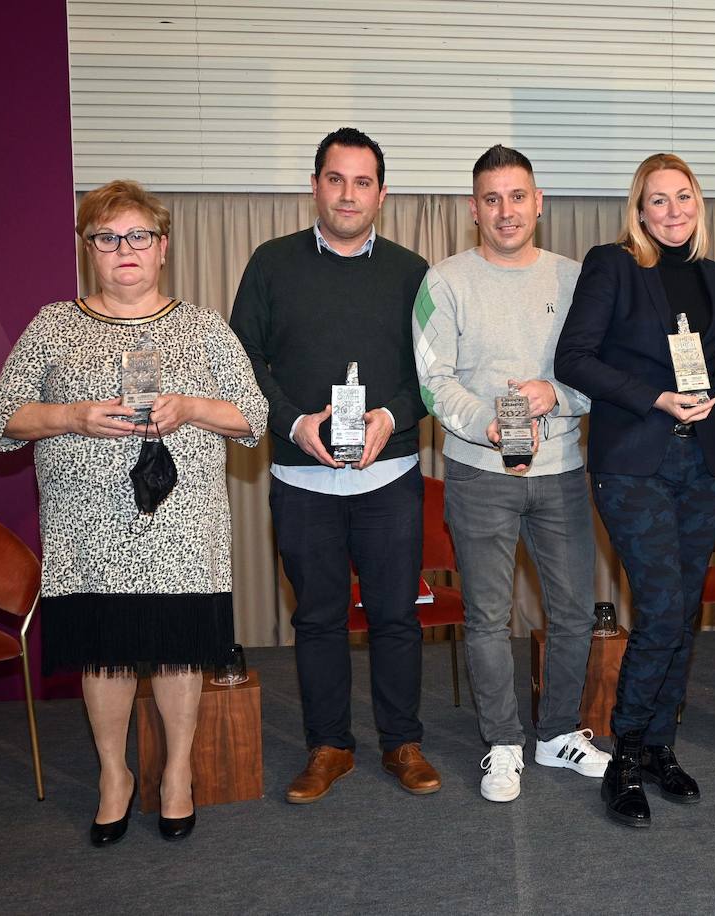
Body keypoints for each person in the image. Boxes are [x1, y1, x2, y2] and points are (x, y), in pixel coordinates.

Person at [0, 180, 268, 846]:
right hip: (89, 534)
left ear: (163, 247)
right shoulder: (52, 325)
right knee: (105, 657)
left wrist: (191, 406)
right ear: (89, 250)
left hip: (180, 532)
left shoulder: (202, 326)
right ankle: (115, 777)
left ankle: (176, 776)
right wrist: (72, 416)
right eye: (107, 239)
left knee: (176, 653)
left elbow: (253, 416)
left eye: (138, 236)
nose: (124, 250)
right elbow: (1, 414)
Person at [229, 127, 439, 803]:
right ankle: (329, 747)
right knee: (317, 618)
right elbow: (242, 363)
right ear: (315, 184)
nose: (349, 194)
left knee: (396, 617)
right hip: (300, 477)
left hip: (390, 477)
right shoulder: (270, 264)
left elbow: (432, 376)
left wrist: (390, 418)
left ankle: (402, 742)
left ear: (381, 193)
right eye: (336, 179)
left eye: (363, 181)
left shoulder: (413, 273)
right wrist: (292, 422)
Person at [412, 144, 608, 802]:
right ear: (474, 209)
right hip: (480, 473)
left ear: (539, 202)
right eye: (491, 199)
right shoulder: (444, 282)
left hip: (560, 470)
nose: (506, 211)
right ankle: (501, 744)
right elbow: (432, 382)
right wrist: (483, 424)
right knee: (489, 619)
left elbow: (598, 373)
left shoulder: (575, 277)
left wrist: (560, 394)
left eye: (517, 196)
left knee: (575, 612)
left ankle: (557, 734)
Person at [554, 153, 715, 828]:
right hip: (633, 464)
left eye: (681, 197)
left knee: (683, 612)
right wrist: (657, 397)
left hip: (702, 468)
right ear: (638, 210)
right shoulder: (614, 265)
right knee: (660, 608)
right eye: (656, 201)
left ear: (697, 203)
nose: (671, 211)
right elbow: (573, 357)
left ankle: (661, 745)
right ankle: (624, 754)